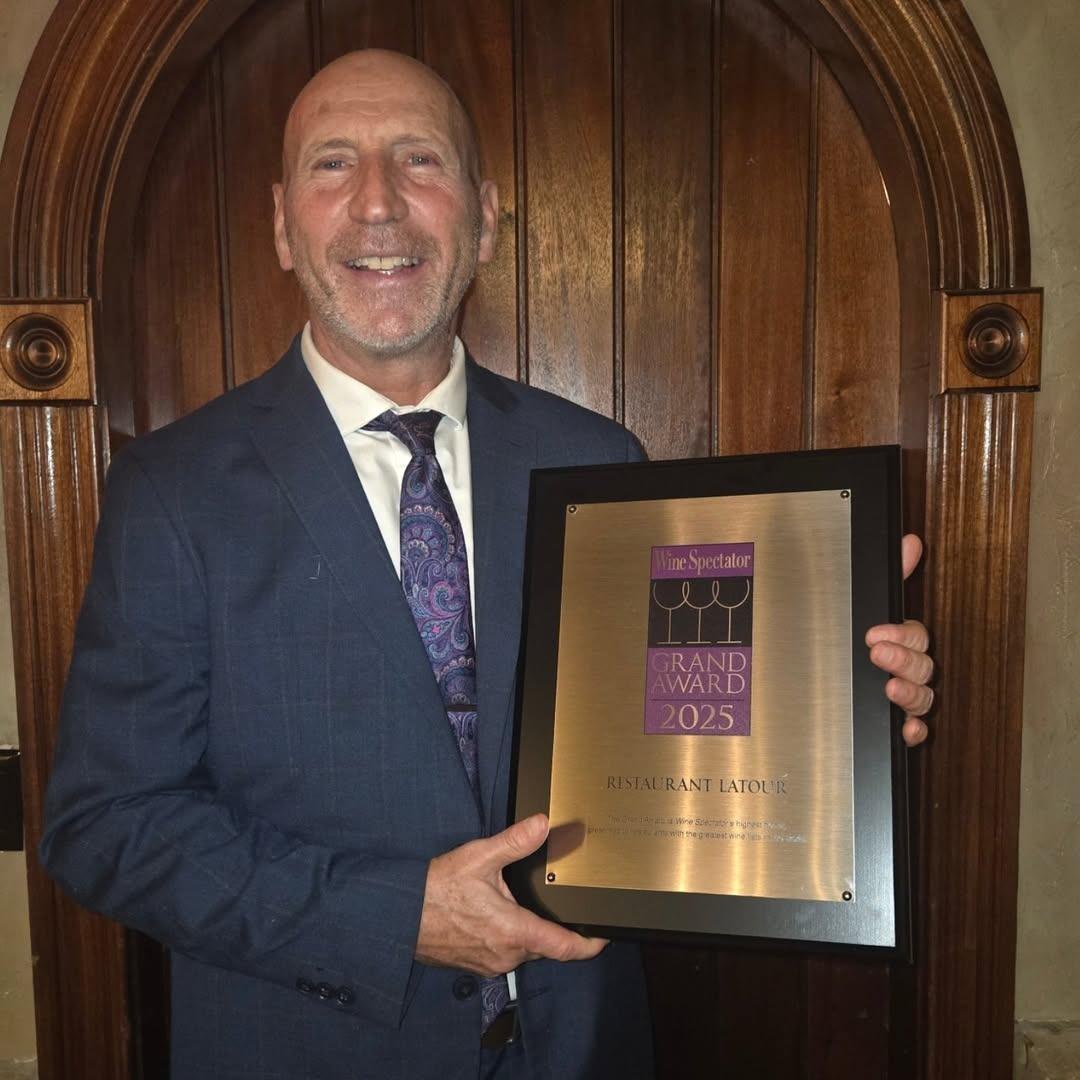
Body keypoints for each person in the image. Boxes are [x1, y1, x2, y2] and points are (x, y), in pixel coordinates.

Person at [39, 49, 934, 1080]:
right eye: (333, 163)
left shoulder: (599, 462)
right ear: (283, 225)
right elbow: (105, 827)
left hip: (580, 1047)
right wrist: (394, 917)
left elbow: (685, 710)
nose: (379, 202)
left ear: (487, 217)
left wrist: (838, 698)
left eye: (419, 159)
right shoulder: (174, 490)